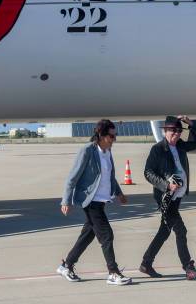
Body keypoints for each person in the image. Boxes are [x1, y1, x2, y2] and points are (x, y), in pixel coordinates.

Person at [58, 119, 131, 285]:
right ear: (101, 135)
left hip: (102, 201)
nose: (114, 139)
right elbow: (72, 177)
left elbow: (109, 177)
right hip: (90, 200)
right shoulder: (87, 151)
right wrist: (66, 200)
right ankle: (113, 272)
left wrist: (119, 194)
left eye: (115, 136)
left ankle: (66, 265)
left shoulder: (107, 152)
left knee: (87, 235)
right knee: (107, 235)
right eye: (112, 136)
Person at [139, 115, 196, 280]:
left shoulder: (181, 146)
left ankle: (146, 264)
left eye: (178, 131)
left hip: (178, 196)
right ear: (165, 132)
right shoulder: (157, 149)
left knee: (165, 231)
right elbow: (148, 173)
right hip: (166, 197)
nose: (176, 134)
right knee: (181, 230)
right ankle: (188, 268)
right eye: (172, 131)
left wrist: (191, 125)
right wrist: (166, 185)